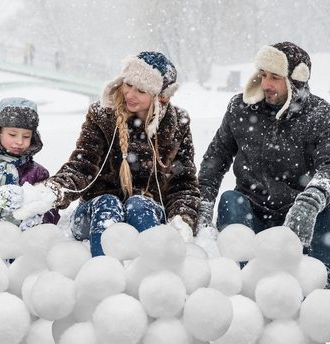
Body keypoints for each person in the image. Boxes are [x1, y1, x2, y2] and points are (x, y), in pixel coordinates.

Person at [20, 51, 200, 256]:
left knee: (139, 205)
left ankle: (151, 269)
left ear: (160, 98)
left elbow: (183, 181)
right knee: (108, 204)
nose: (130, 94)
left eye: (140, 90)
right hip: (95, 210)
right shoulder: (102, 115)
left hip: (145, 212)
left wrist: (182, 218)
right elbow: (83, 164)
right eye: (128, 84)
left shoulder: (177, 124)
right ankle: (103, 271)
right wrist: (55, 189)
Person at [197, 41, 330, 281]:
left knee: (326, 206)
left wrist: (310, 201)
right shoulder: (240, 108)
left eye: (275, 77)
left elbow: (328, 167)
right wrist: (204, 204)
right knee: (230, 200)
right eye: (263, 75)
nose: (266, 84)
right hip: (252, 212)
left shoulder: (320, 115)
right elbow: (216, 157)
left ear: (295, 80)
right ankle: (242, 279)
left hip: (298, 218)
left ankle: (320, 280)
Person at [0, 97, 60, 254]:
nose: (19, 142)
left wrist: (39, 217)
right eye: (12, 134)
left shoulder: (38, 173)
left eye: (26, 136)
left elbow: (51, 209)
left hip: (16, 244)